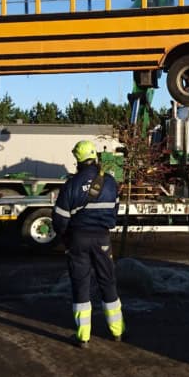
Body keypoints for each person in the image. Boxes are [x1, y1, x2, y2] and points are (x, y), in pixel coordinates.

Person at [53, 140, 125, 348]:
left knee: (81, 285)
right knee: (108, 282)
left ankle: (83, 337)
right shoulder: (110, 182)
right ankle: (118, 331)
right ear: (94, 157)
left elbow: (60, 218)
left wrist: (65, 237)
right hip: (102, 238)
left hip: (78, 240)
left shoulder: (71, 184)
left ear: (77, 159)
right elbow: (114, 212)